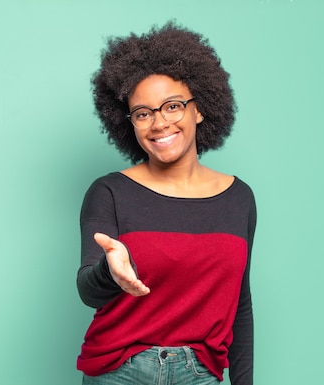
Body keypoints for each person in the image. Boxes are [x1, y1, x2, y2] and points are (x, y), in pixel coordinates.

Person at [76, 22, 257, 385]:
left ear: (199, 110)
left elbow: (240, 303)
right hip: (119, 372)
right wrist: (110, 272)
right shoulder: (110, 191)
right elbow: (88, 289)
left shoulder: (239, 198)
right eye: (143, 113)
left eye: (172, 106)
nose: (158, 123)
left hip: (200, 373)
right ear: (131, 123)